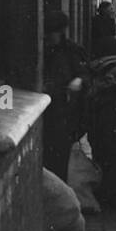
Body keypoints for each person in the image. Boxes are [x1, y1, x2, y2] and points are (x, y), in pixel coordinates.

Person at [42, 10, 89, 182]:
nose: (47, 38)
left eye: (51, 34)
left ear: (60, 32)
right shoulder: (43, 51)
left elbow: (86, 75)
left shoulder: (72, 51)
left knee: (60, 158)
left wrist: (78, 80)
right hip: (46, 111)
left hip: (64, 114)